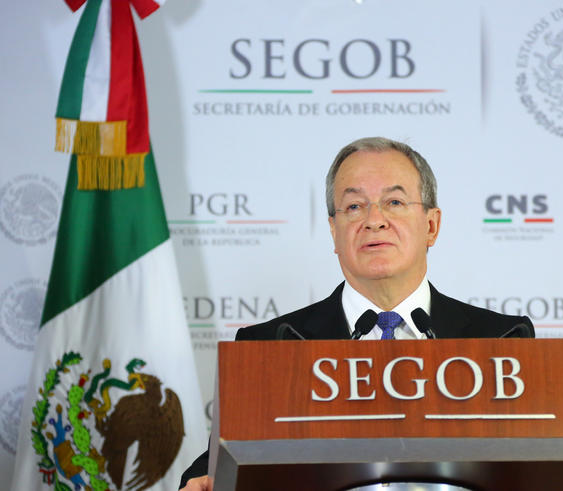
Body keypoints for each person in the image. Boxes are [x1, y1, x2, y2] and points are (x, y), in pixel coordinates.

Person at [179, 136, 534, 490]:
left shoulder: (503, 341)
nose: (374, 220)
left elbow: (533, 464)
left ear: (431, 225)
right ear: (334, 231)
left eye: (394, 202)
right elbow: (216, 467)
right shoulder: (270, 345)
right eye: (353, 206)